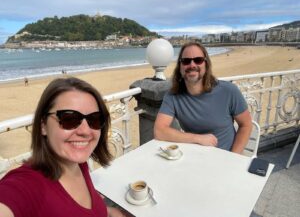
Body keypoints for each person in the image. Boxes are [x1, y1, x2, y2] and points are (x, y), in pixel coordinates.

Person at [0, 77, 131, 217]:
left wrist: (110, 212)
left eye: (94, 119)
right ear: (43, 125)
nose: (85, 131)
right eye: (69, 119)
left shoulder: (78, 164)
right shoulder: (26, 185)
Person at [154, 42, 252, 153]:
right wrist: (199, 139)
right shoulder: (173, 96)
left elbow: (246, 125)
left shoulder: (228, 91)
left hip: (226, 156)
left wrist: (234, 157)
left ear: (206, 64)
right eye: (186, 61)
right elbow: (159, 131)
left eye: (198, 60)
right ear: (180, 67)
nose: (192, 65)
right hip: (194, 157)